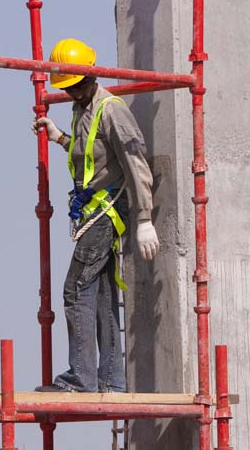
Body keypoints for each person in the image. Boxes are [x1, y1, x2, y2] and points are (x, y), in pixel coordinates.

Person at [32, 38, 160, 393]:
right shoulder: (82, 109)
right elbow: (91, 157)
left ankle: (81, 378)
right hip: (94, 211)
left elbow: (136, 163)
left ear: (89, 75)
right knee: (102, 295)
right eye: (67, 87)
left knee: (75, 289)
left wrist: (144, 218)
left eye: (75, 85)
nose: (71, 92)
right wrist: (60, 139)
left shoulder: (112, 109)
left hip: (106, 213)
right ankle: (110, 380)